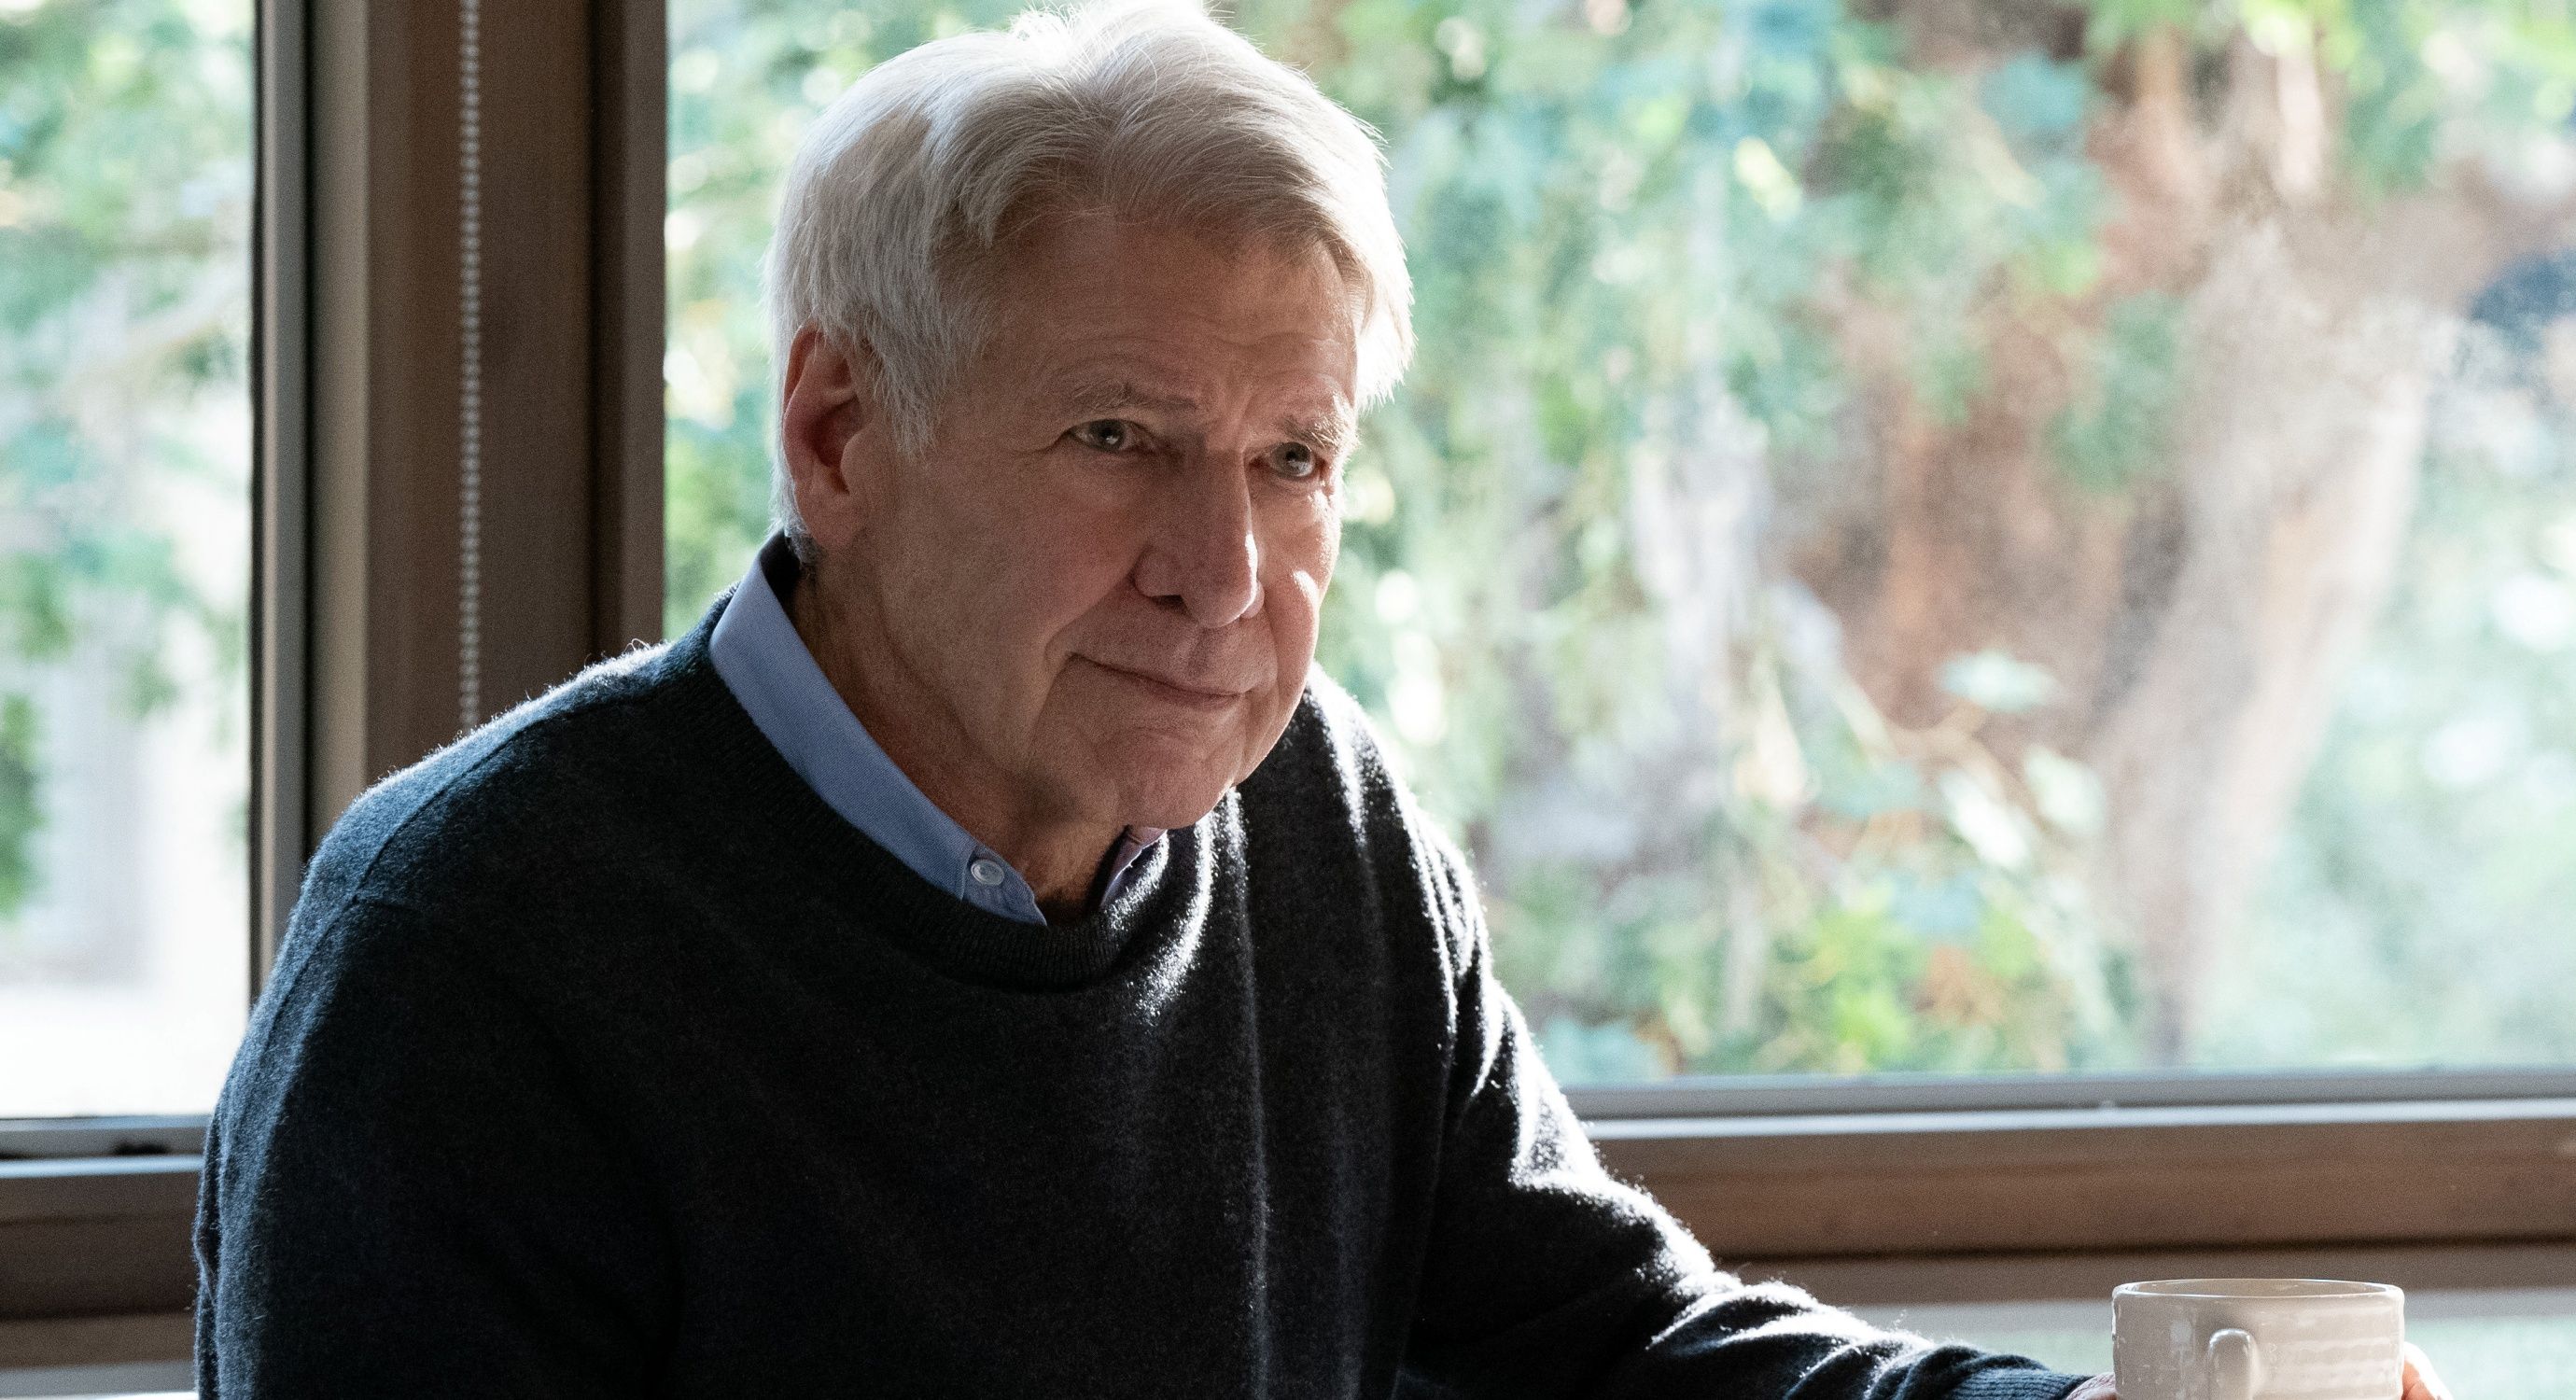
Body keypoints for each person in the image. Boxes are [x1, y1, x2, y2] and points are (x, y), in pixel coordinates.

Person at [193, 3, 2449, 1396]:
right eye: (1119, 442)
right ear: (838, 438)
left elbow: (1607, 1349)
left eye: (1294, 460)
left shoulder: (1313, 822)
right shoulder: (477, 949)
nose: (1228, 570)